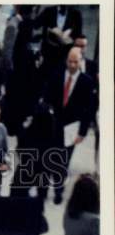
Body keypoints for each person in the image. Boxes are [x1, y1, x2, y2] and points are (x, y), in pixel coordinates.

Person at [40, 46, 96, 204]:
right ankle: (43, 190)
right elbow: (46, 97)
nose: (72, 65)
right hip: (53, 124)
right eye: (70, 61)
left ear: (80, 62)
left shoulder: (87, 82)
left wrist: (82, 132)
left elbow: (89, 110)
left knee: (63, 161)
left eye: (75, 62)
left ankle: (58, 191)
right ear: (66, 60)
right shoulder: (56, 75)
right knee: (48, 157)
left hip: (72, 127)